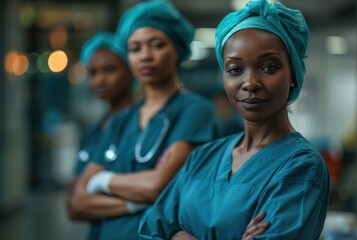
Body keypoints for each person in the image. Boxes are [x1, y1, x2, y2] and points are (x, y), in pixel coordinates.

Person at [138, 0, 330, 239]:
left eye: (269, 67)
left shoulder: (300, 166)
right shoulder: (203, 157)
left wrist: (180, 236)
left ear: (293, 75)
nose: (250, 83)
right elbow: (150, 231)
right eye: (235, 70)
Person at [69, 0, 217, 239]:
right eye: (135, 49)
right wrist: (133, 203)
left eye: (157, 45)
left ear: (177, 49)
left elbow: (157, 186)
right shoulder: (120, 120)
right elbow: (78, 200)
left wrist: (102, 179)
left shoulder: (194, 110)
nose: (145, 56)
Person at [66, 32, 134, 238]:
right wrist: (134, 203)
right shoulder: (95, 130)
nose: (99, 80)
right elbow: (74, 206)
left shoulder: (143, 124)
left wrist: (94, 194)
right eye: (92, 73)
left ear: (131, 70)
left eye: (109, 70)